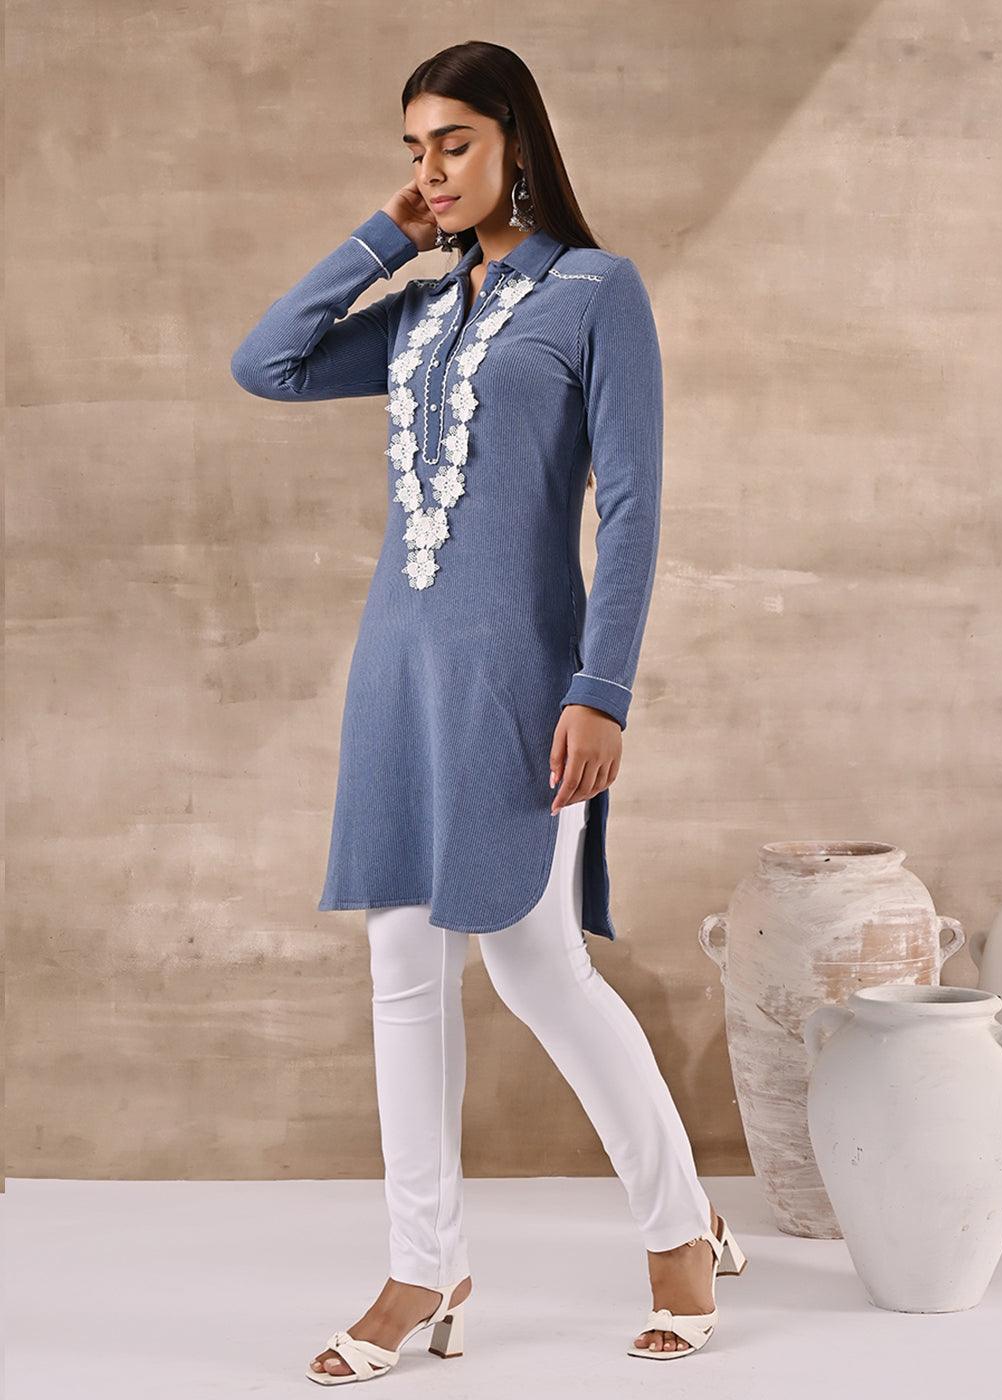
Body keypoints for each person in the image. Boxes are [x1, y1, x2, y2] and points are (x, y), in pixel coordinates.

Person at [231, 39, 747, 1383]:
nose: (433, 169)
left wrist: (601, 689)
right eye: (415, 148)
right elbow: (267, 364)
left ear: (516, 137)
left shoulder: (595, 293)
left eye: (453, 142)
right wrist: (382, 237)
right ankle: (427, 1265)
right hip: (395, 676)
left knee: (533, 966)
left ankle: (679, 1232)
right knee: (402, 969)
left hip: (520, 676)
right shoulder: (418, 312)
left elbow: (631, 508)